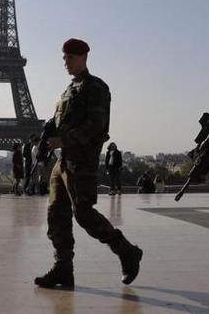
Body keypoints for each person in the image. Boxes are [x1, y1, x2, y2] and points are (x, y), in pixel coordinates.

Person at [34, 38, 143, 289]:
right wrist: (48, 132)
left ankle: (126, 250)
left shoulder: (96, 88)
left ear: (83, 57)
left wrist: (63, 139)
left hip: (81, 162)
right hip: (63, 163)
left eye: (70, 57)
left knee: (83, 214)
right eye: (63, 58)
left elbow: (96, 127)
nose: (65, 62)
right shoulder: (69, 90)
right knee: (56, 216)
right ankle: (63, 267)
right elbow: (60, 121)